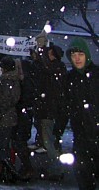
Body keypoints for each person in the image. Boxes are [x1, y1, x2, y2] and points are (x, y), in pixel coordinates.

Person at [65, 38, 98, 190]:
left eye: (80, 54)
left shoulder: (96, 75)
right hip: (81, 138)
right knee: (84, 179)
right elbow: (65, 106)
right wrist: (58, 129)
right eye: (73, 55)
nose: (77, 58)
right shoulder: (70, 78)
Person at [34, 44, 66, 181]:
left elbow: (48, 90)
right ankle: (57, 168)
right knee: (53, 141)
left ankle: (57, 169)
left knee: (49, 142)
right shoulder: (60, 69)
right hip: (55, 111)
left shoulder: (52, 70)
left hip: (49, 111)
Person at [0, 56, 21, 183]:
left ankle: (7, 172)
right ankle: (6, 171)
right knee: (4, 146)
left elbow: (5, 100)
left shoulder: (7, 81)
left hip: (4, 117)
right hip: (8, 116)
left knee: (2, 146)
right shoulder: (13, 80)